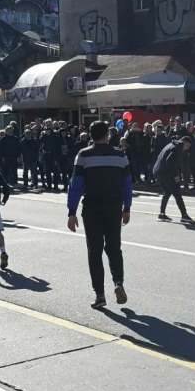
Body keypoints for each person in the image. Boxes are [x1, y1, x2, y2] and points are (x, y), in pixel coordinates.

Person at [67, 120, 133, 309]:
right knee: (114, 248)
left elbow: (76, 185)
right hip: (113, 207)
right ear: (108, 135)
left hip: (92, 208)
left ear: (90, 135)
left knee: (94, 251)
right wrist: (127, 208)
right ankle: (118, 283)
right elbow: (127, 184)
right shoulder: (120, 156)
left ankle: (100, 295)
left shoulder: (83, 155)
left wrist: (72, 212)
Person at [154, 136, 195, 224]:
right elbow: (170, 162)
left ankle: (162, 213)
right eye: (187, 146)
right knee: (177, 194)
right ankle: (184, 216)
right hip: (166, 173)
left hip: (159, 171)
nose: (187, 149)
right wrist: (176, 176)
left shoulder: (171, 144)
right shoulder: (178, 147)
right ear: (184, 142)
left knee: (167, 192)